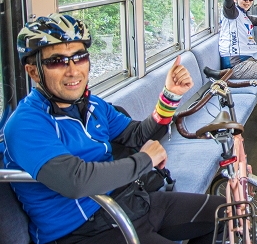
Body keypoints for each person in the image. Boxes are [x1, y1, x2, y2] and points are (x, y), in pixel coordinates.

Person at [3, 13, 226, 244]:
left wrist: (170, 96)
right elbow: (76, 181)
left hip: (128, 203)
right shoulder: (26, 124)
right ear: (33, 71)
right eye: (57, 61)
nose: (72, 70)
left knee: (228, 214)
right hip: (84, 232)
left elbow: (137, 135)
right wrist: (144, 161)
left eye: (79, 57)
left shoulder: (93, 106)